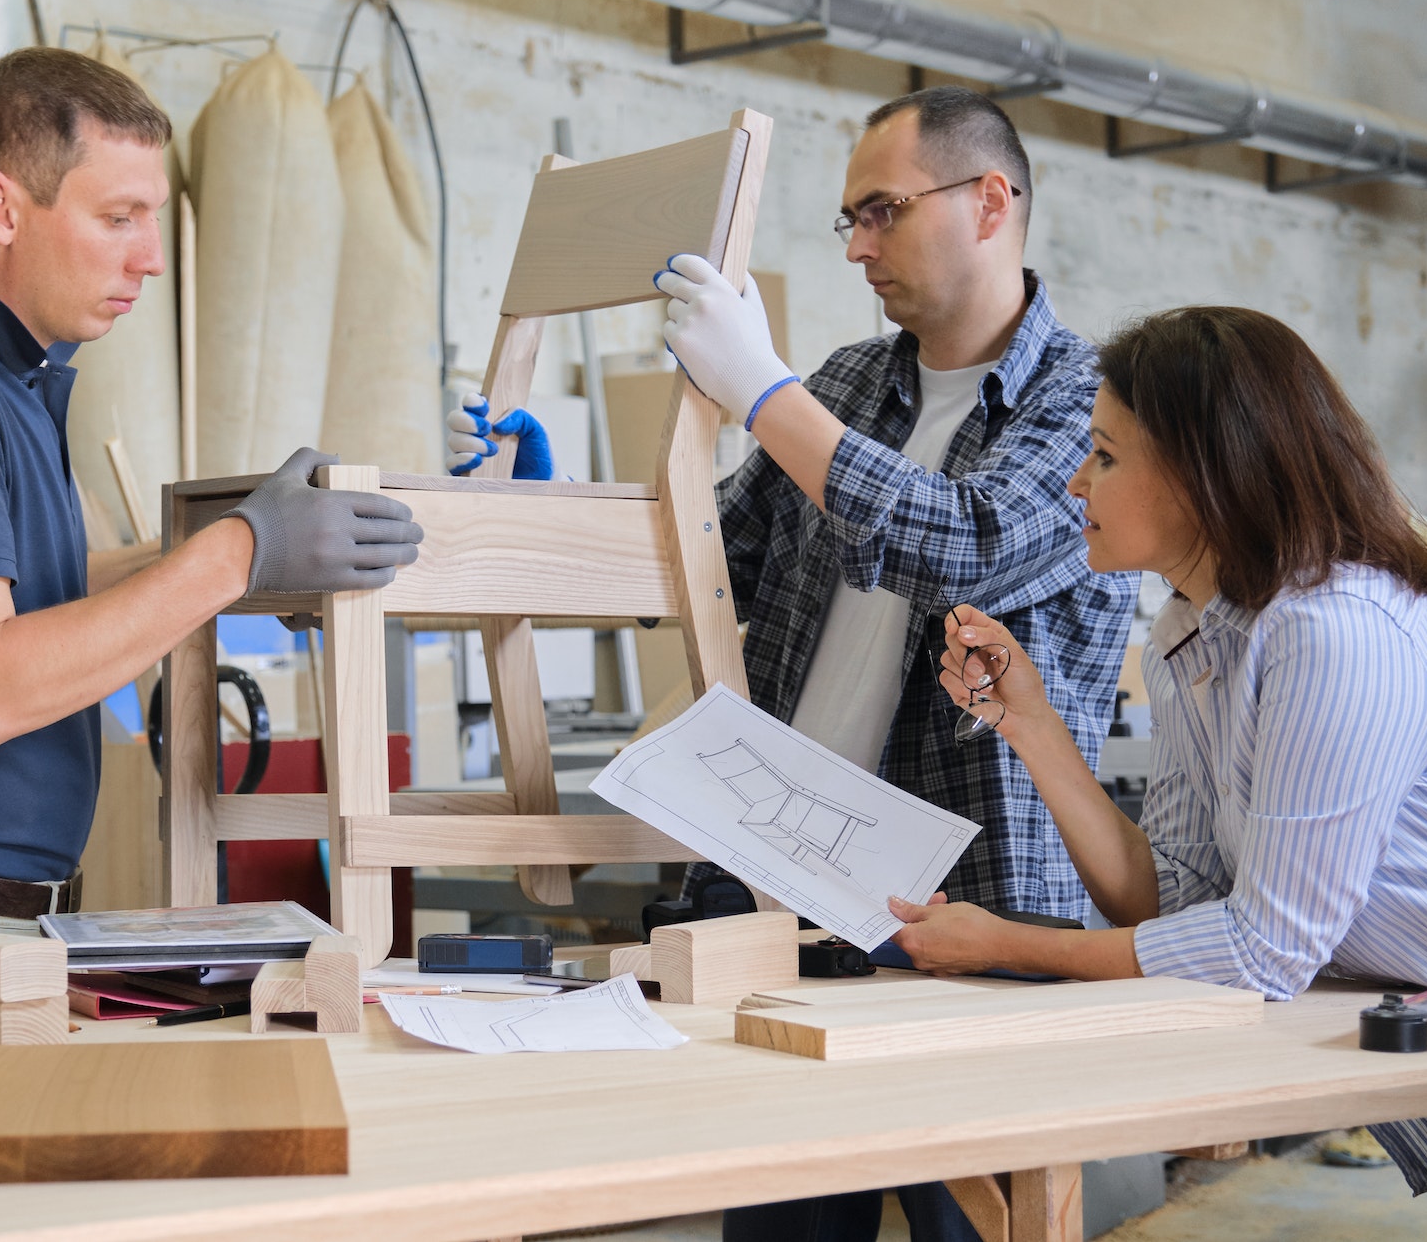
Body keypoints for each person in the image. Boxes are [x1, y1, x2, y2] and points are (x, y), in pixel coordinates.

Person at [451, 88, 1136, 1242]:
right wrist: (559, 497)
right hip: (780, 890)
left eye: (882, 210)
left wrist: (760, 393)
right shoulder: (850, 386)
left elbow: (958, 540)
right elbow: (706, 556)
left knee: (975, 1222)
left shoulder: (1092, 402)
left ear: (988, 203)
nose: (859, 246)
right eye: (847, 220)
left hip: (972, 920)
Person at [898, 305, 1427, 1239]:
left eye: (1106, 456)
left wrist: (1004, 943)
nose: (1079, 481)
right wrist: (1031, 725)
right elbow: (1172, 899)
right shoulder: (1188, 637)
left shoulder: (1334, 633)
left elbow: (1257, 954)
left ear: (1208, 474)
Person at [0, 48, 422, 993]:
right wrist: (239, 552)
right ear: (2, 209)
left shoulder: (0, 377)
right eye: (117, 218)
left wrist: (249, 564)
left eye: (151, 219)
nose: (151, 256)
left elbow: (48, 603)